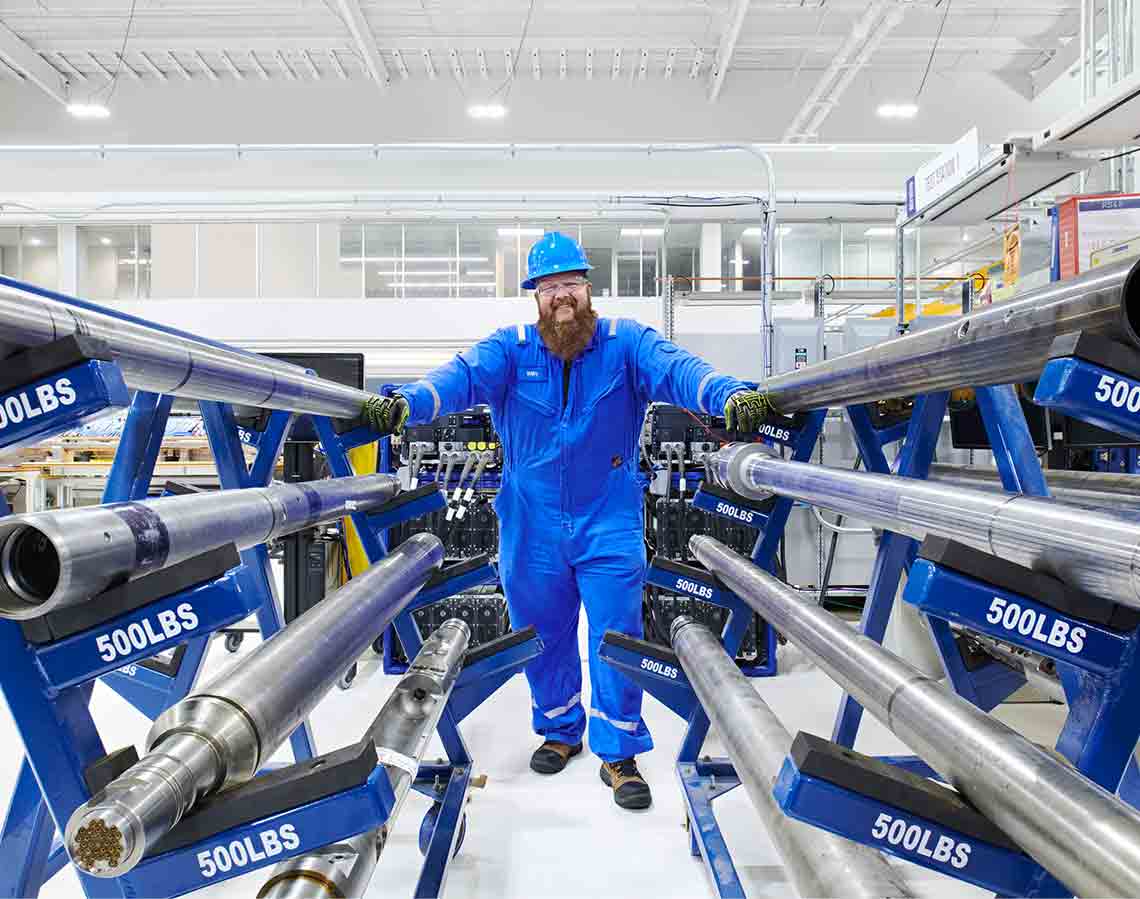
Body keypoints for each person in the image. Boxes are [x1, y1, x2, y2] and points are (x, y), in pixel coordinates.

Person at [362, 232, 771, 810]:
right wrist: (409, 402)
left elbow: (677, 369)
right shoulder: (511, 350)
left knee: (615, 634)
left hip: (608, 517)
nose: (562, 297)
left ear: (587, 289)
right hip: (530, 524)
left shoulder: (624, 344)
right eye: (550, 287)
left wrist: (728, 395)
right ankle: (559, 730)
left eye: (571, 285)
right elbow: (458, 377)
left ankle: (619, 754)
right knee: (545, 632)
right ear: (535, 296)